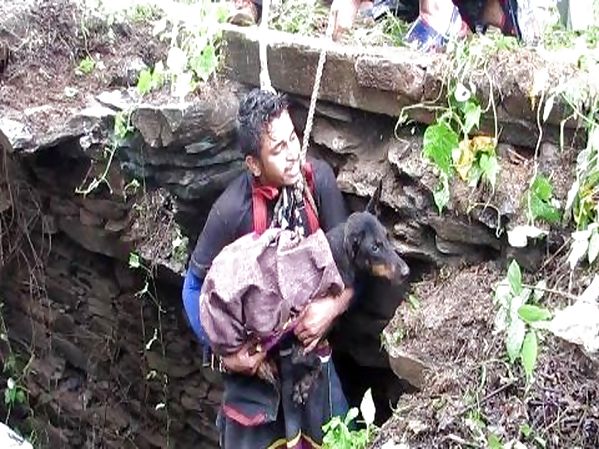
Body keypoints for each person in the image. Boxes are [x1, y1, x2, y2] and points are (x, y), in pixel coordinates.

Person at [182, 88, 354, 448]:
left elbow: (353, 263)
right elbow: (193, 287)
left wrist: (332, 309)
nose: (293, 154)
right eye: (278, 149)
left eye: (293, 138)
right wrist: (227, 355)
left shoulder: (317, 183)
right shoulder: (232, 211)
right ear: (254, 164)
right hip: (256, 379)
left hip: (311, 366)